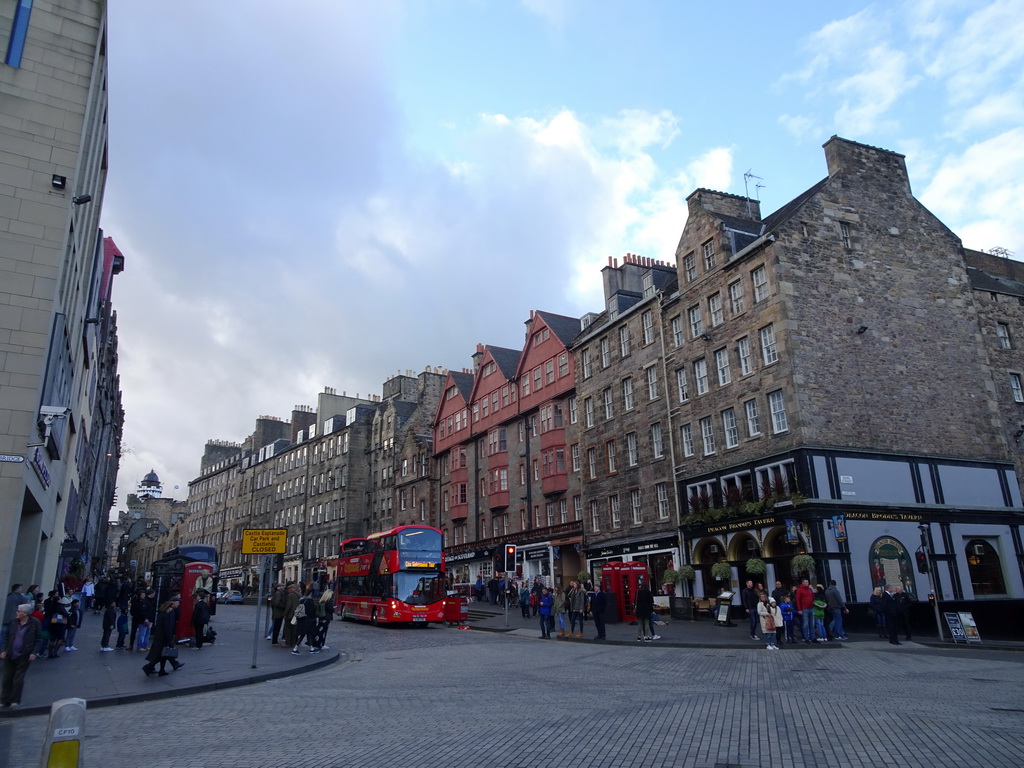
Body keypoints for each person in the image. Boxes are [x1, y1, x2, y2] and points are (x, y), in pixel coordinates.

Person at [1, 603, 41, 709]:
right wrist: (4, 650)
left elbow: (39, 639)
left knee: (18, 679)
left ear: (26, 613)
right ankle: (4, 700)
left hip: (24, 655)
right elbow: (6, 637)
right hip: (10, 654)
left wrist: (34, 652)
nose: (17, 613)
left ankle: (15, 700)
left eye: (19, 611)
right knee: (6, 678)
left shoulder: (34, 623)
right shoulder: (13, 622)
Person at [143, 596, 184, 676]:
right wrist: (170, 638)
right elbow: (167, 628)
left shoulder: (168, 612)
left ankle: (162, 670)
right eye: (178, 602)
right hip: (162, 638)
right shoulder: (166, 614)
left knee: (164, 654)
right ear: (173, 603)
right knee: (161, 655)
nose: (179, 604)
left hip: (162, 637)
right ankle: (148, 667)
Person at [292, 588, 316, 655]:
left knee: (307, 634)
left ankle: (311, 648)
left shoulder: (302, 599)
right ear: (311, 593)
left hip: (301, 619)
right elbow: (311, 611)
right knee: (304, 634)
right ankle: (295, 648)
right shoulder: (310, 601)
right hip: (307, 620)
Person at [1, 584, 23, 648]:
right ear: (17, 589)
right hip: (13, 618)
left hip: (5, 618)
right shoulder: (19, 597)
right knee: (10, 636)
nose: (21, 590)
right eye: (20, 588)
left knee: (3, 635)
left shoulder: (8, 596)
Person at [794, 579, 815, 644]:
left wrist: (812, 591)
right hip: (804, 608)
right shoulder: (800, 590)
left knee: (812, 623)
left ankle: (813, 637)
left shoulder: (809, 589)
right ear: (803, 583)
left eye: (808, 582)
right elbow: (798, 599)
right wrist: (799, 609)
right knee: (805, 624)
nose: (807, 583)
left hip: (811, 607)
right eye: (806, 582)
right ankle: (806, 637)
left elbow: (813, 597)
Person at [282, 583, 300, 648]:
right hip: (297, 614)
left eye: (289, 589)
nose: (288, 590)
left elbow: (288, 606)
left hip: (291, 614)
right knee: (294, 629)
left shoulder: (290, 595)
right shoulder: (299, 594)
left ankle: (288, 642)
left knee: (288, 629)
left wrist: (285, 614)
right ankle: (294, 642)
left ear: (292, 589)